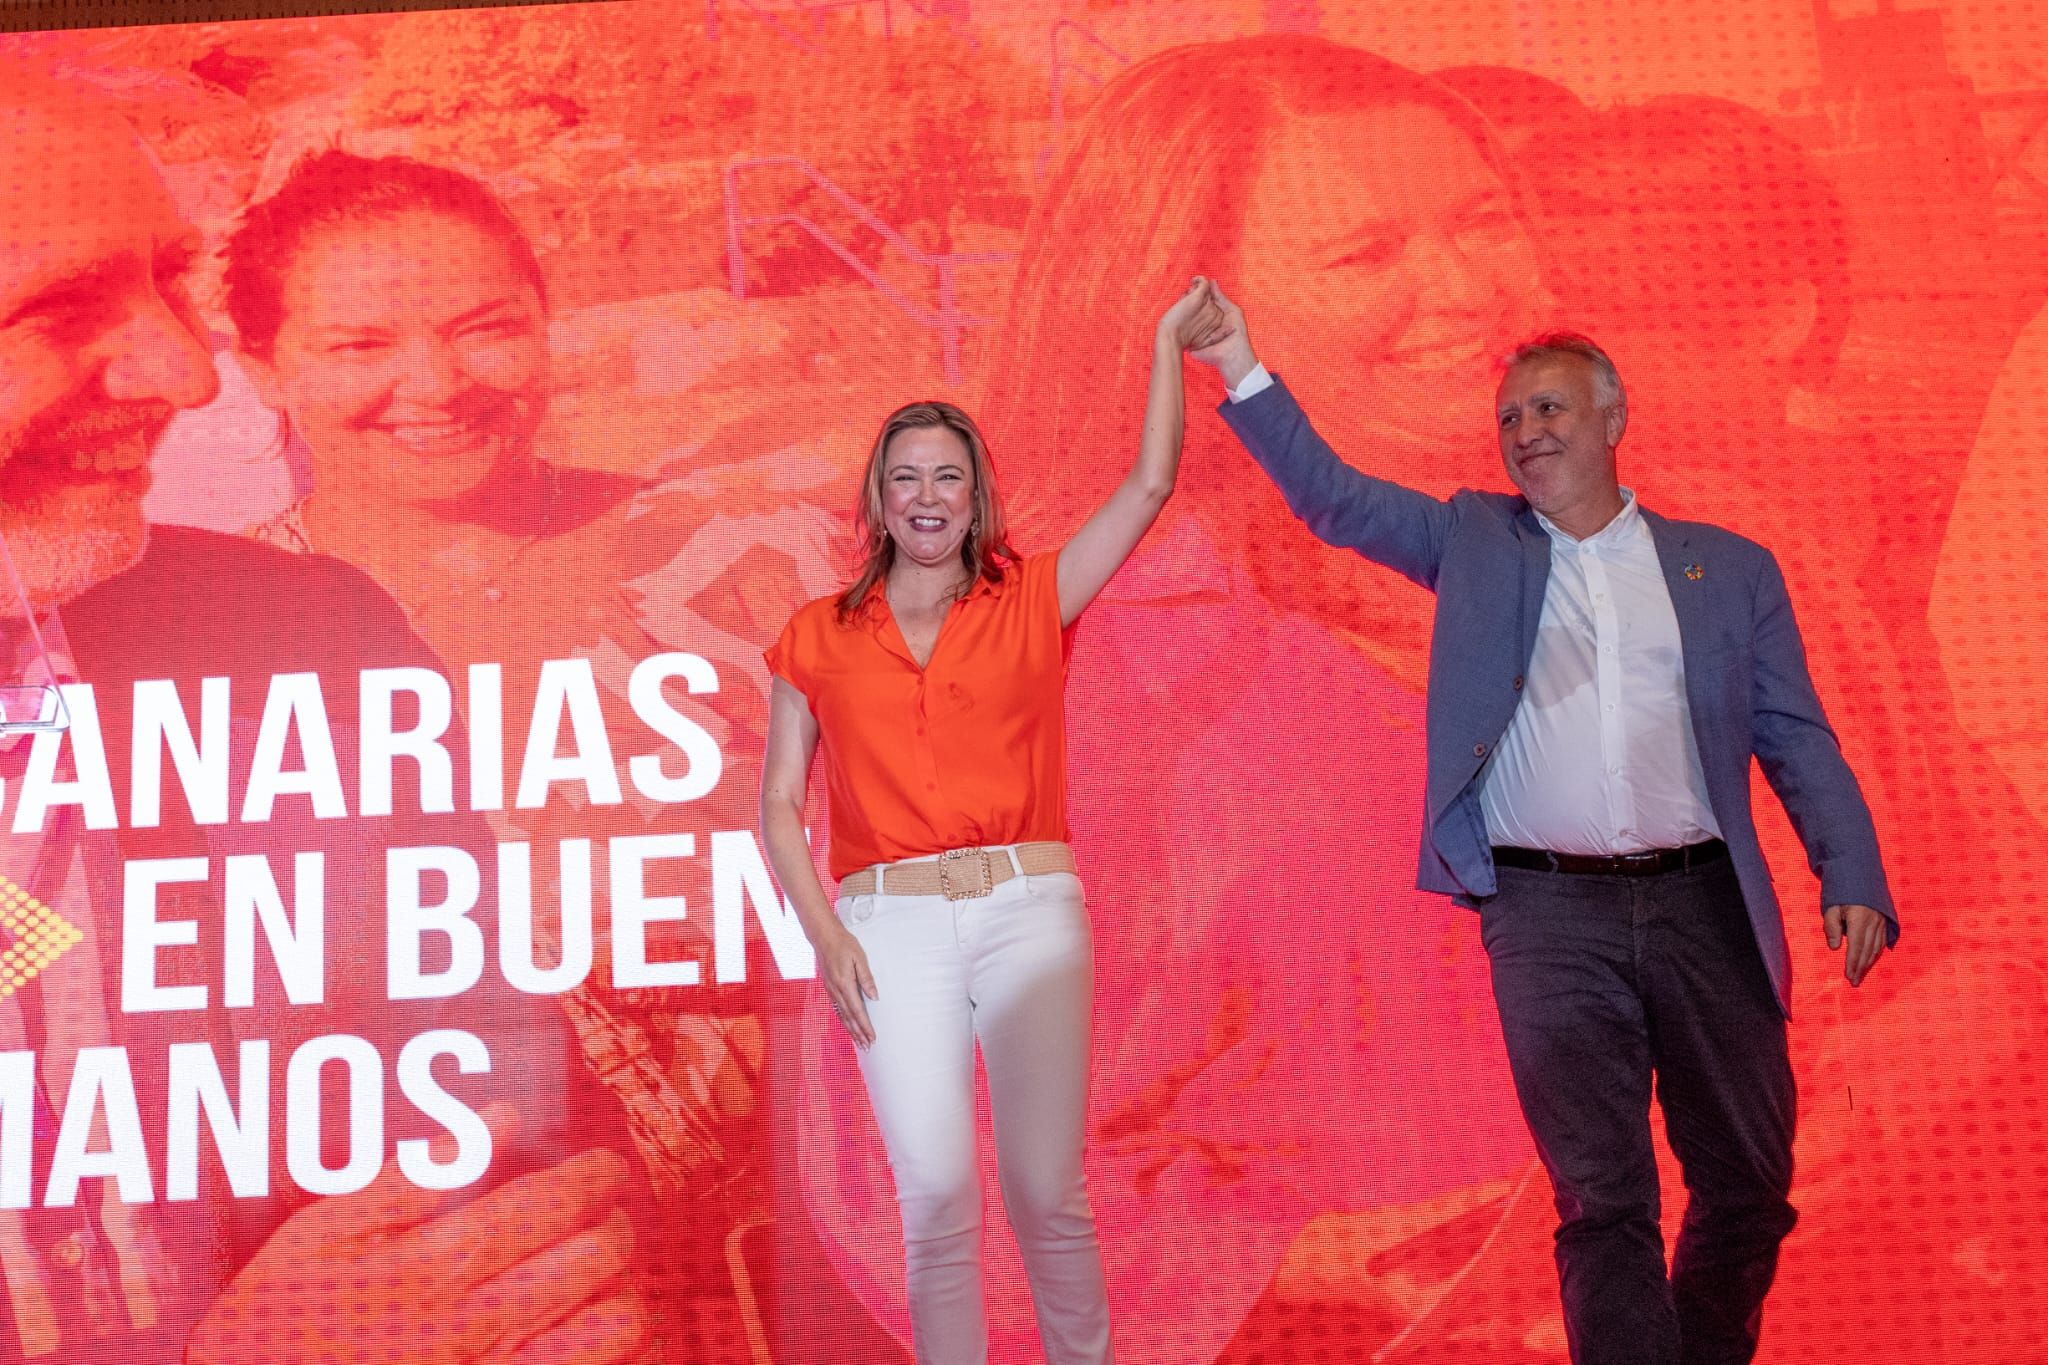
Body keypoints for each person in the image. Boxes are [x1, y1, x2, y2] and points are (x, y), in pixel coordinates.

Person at [0, 72, 644, 1361]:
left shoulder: (295, 638)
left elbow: (497, 1124)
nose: (183, 376)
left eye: (169, 286)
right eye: (64, 306)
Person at [1199, 300, 1898, 1364]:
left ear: (1612, 417)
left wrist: (1848, 866)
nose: (1524, 429)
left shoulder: (1729, 566)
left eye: (1547, 406)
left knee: (1747, 1187)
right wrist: (1237, 363)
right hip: (1544, 916)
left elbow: (1794, 738)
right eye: (1508, 416)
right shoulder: (1473, 541)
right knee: (1603, 1199)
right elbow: (1331, 500)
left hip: (1703, 900)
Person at [759, 278, 1229, 1363]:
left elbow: (1151, 483)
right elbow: (780, 803)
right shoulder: (816, 633)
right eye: (906, 477)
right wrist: (828, 937)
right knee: (933, 1202)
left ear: (977, 498)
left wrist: (1163, 340)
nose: (928, 496)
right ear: (875, 499)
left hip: (1027, 912)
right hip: (884, 929)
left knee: (1044, 1191)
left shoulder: (1030, 599)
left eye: (949, 477)